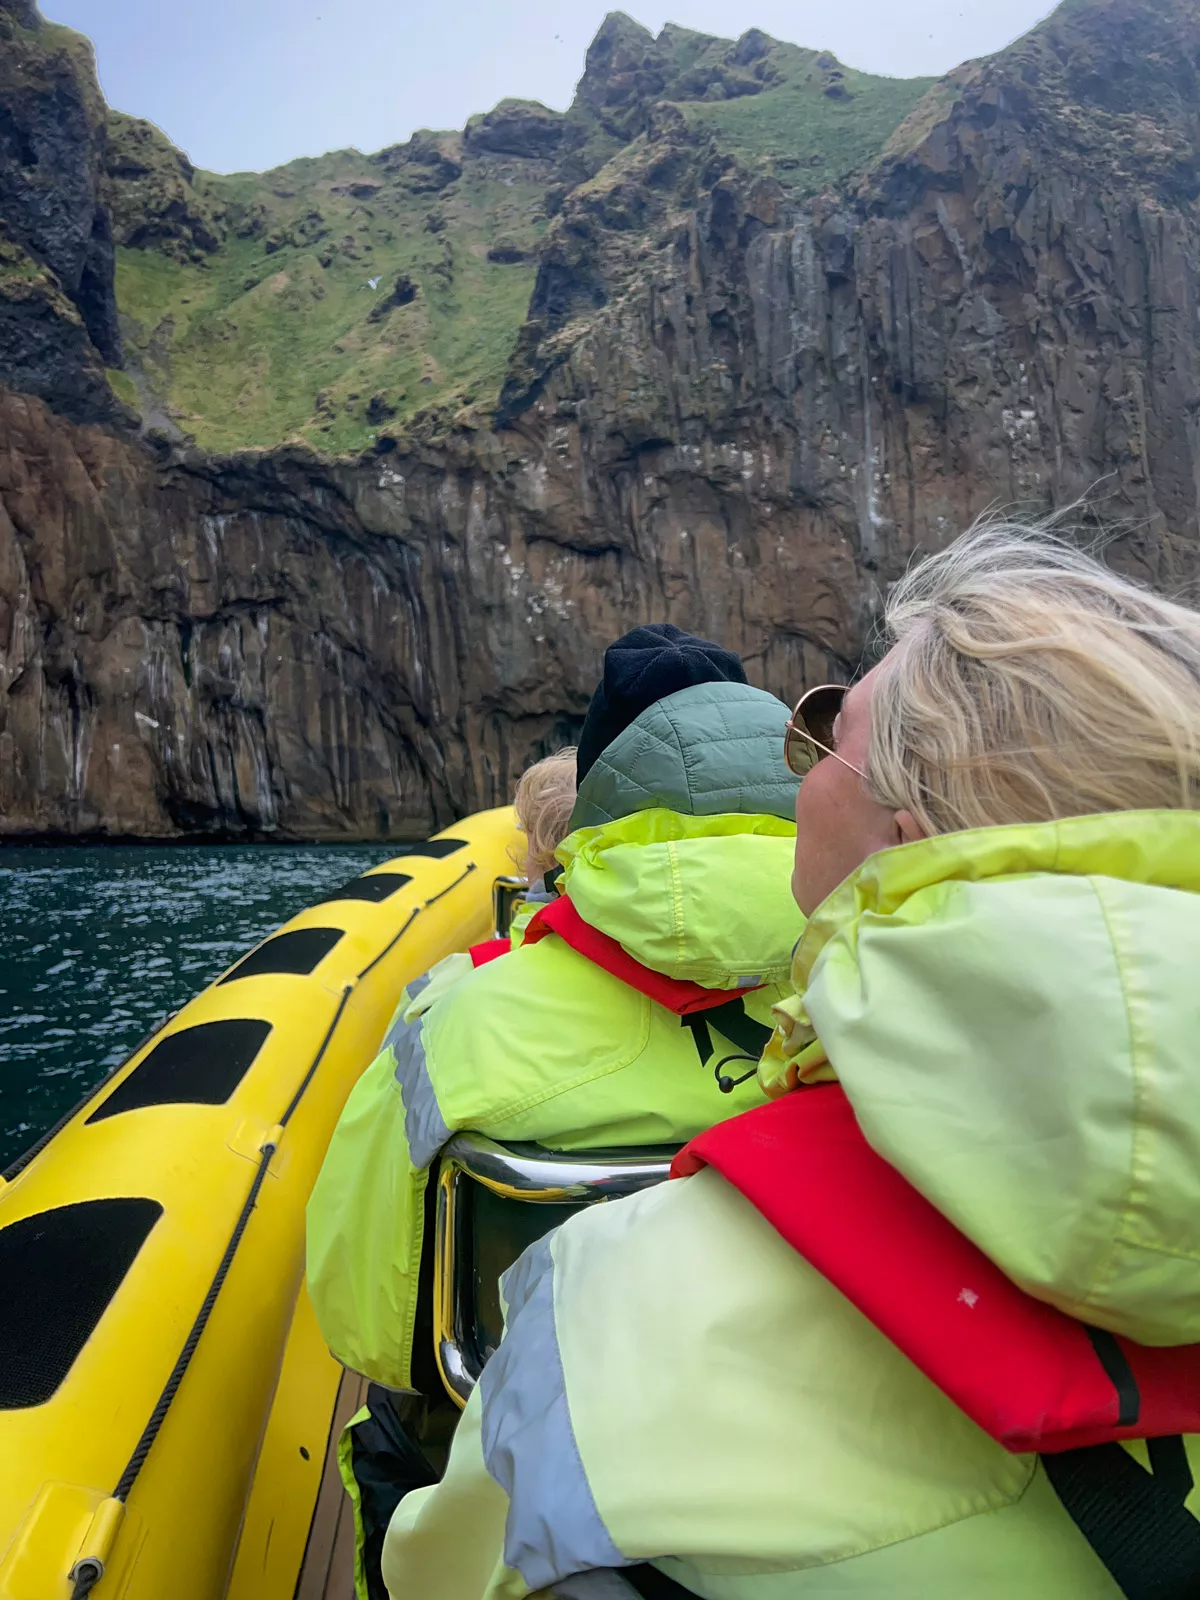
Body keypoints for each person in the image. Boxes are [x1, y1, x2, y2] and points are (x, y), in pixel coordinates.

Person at [380, 523, 1200, 1600]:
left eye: (822, 742)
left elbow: (441, 1570)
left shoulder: (617, 1303)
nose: (792, 765)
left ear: (904, 846)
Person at [306, 623, 806, 1595]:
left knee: (392, 1426)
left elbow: (363, 1309)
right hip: (804, 1451)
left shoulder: (457, 1019)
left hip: (530, 1482)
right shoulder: (899, 993)